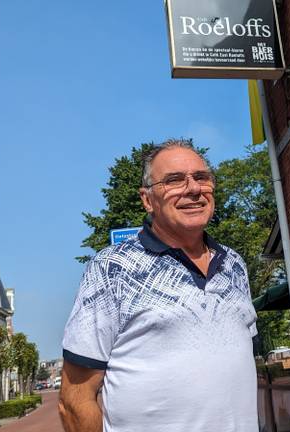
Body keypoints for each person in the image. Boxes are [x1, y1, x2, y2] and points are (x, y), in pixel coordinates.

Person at [59, 140, 258, 432]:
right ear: (148, 199)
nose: (193, 189)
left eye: (201, 177)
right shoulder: (112, 268)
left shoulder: (235, 265)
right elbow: (75, 399)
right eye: (174, 180)